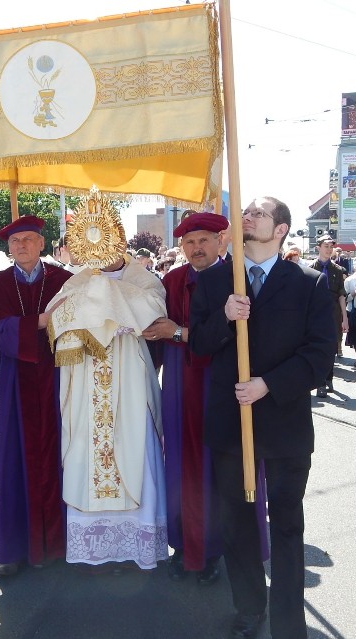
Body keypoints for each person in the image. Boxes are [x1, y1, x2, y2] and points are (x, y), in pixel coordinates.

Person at [189, 196, 335, 639]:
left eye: (259, 214)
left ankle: (290, 622)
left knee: (287, 524)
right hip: (231, 425)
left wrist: (268, 384)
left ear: (281, 230)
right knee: (236, 523)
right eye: (246, 212)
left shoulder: (308, 283)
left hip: (285, 423)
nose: (247, 217)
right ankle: (249, 607)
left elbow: (321, 354)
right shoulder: (216, 282)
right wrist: (224, 317)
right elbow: (198, 344)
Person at [48, 235, 168, 571]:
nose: (102, 251)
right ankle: (94, 543)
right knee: (88, 451)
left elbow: (154, 311)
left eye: (109, 243)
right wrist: (93, 315)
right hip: (87, 378)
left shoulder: (142, 279)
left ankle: (138, 540)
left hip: (129, 375)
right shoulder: (78, 281)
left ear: (121, 243)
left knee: (134, 447)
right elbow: (57, 319)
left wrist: (104, 301)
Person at [150, 212, 258, 583]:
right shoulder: (171, 280)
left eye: (204, 240)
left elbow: (233, 336)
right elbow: (153, 334)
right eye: (189, 242)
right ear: (181, 246)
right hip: (180, 384)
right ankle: (185, 545)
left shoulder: (239, 278)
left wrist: (178, 332)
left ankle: (218, 548)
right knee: (181, 465)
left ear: (221, 241)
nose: (196, 248)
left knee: (219, 468)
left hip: (220, 381)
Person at [0, 216, 73, 574]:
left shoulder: (64, 281)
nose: (22, 246)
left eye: (29, 240)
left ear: (42, 244)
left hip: (59, 377)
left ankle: (63, 541)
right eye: (16, 241)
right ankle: (16, 546)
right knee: (15, 457)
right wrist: (39, 322)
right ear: (8, 248)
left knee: (63, 453)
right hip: (15, 380)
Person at [309, 234, 348, 397]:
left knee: (332, 346)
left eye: (331, 247)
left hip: (333, 310)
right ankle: (320, 382)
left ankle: (329, 378)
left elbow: (341, 294)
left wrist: (345, 318)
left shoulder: (338, 270)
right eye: (326, 246)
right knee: (316, 345)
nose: (329, 249)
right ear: (318, 248)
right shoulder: (310, 268)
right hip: (315, 310)